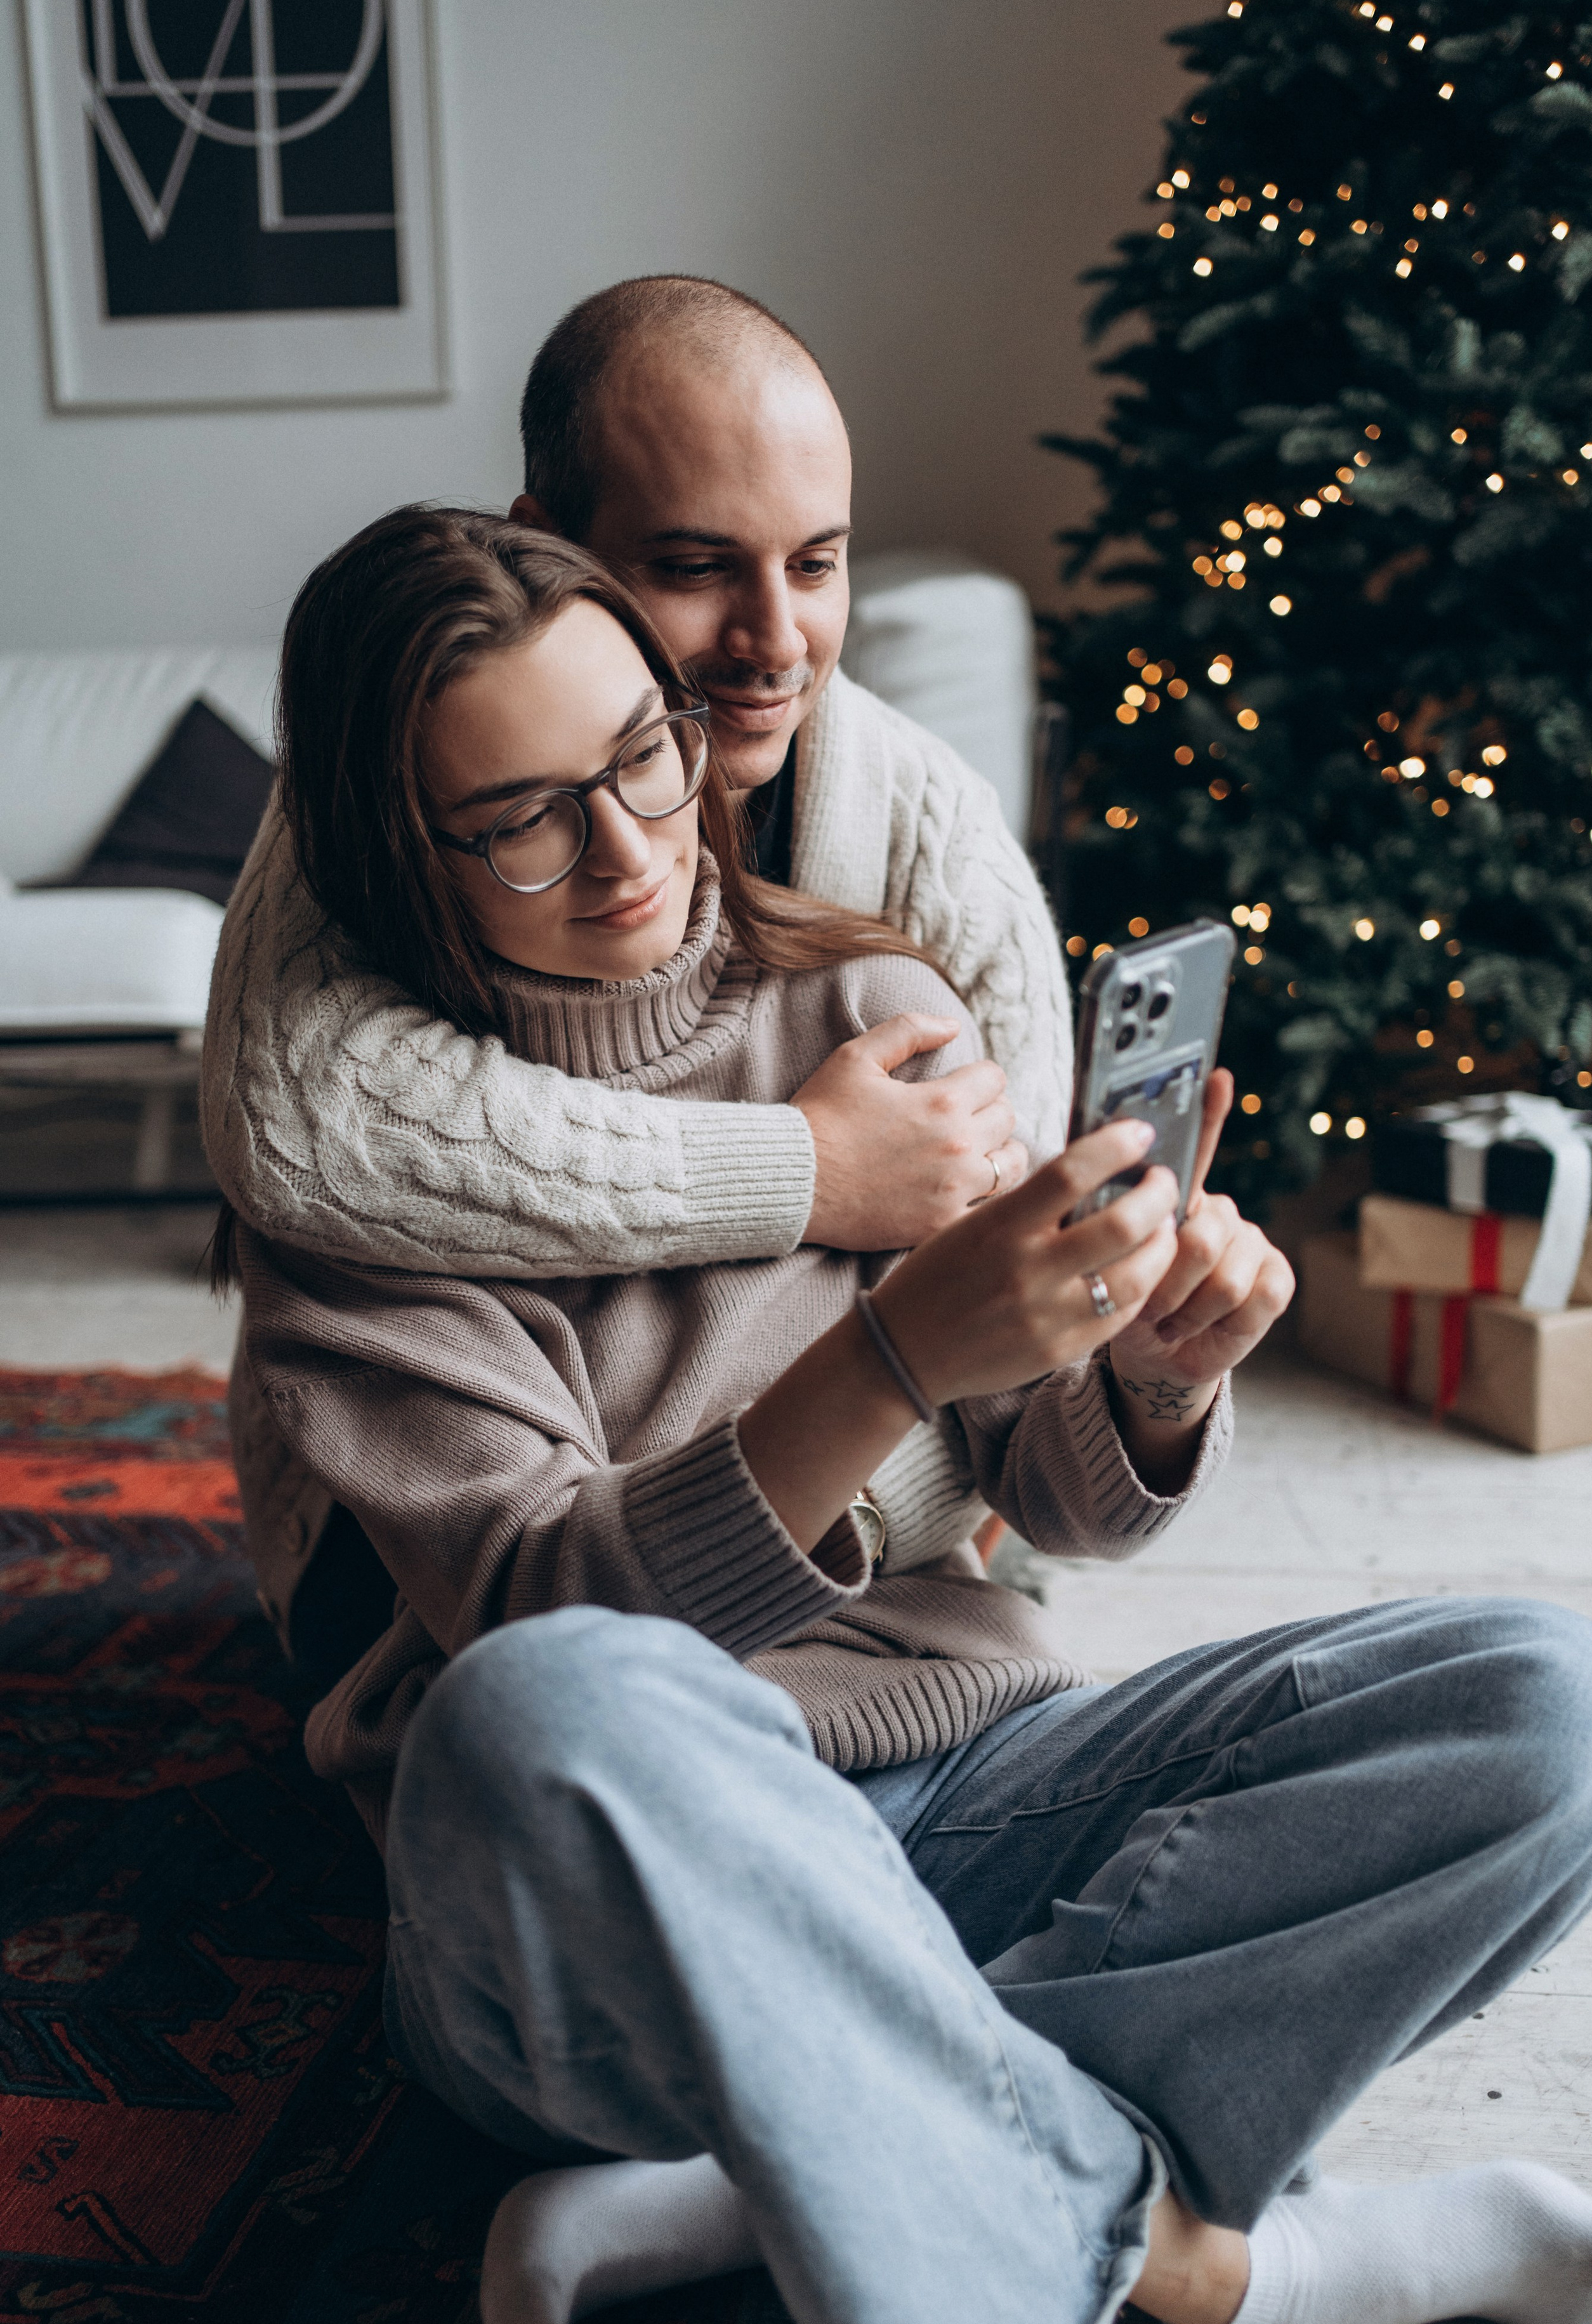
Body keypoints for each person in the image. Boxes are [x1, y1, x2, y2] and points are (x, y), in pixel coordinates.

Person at [223, 504, 1592, 2324]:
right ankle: (1243, 2268)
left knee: (1548, 1699)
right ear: (407, 858)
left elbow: (1050, 1490)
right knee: (538, 1706)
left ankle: (754, 2181)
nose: (630, 849)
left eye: (641, 758)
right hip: (609, 1902)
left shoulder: (870, 1006)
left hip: (968, 1785)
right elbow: (538, 1606)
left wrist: (1149, 1379)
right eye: (525, 818)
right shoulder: (370, 1185)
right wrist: (883, 1355)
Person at [204, 275, 1072, 1667]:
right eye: (692, 567)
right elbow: (298, 1137)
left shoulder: (925, 848)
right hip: (454, 1517)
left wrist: (862, 1498)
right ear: (549, 547)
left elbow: (1013, 1293)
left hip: (869, 1535)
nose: (774, 643)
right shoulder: (384, 781)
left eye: (816, 561)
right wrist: (806, 1170)